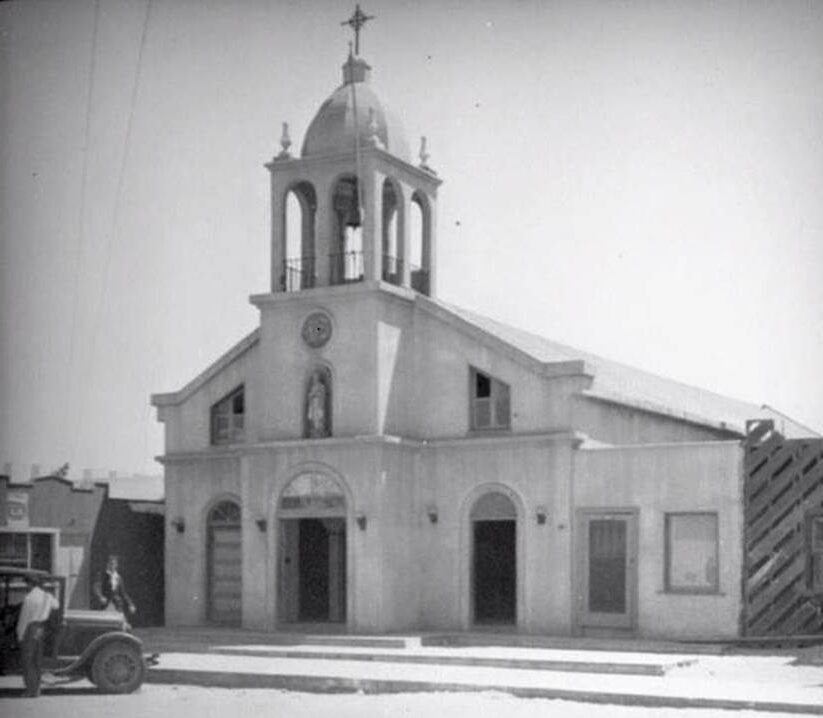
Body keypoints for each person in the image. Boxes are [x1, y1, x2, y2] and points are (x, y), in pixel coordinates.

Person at [16, 574, 59, 698]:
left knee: (27, 661)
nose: (26, 586)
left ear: (30, 584)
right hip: (41, 629)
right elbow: (56, 605)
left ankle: (30, 690)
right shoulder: (47, 596)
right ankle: (37, 689)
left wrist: (20, 635)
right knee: (37, 660)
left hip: (30, 628)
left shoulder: (29, 598)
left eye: (26, 584)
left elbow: (24, 619)